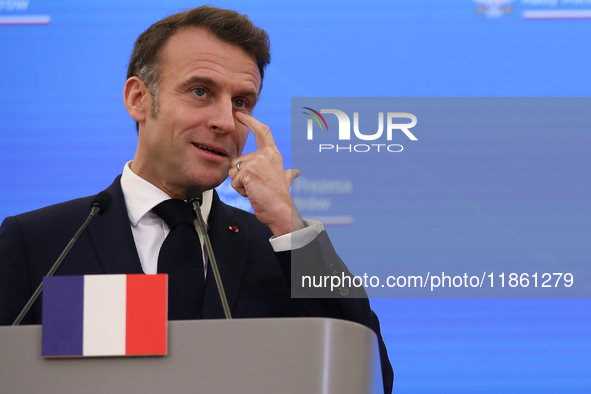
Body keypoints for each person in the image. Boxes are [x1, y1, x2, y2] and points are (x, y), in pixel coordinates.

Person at [0, 6, 393, 393]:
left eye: (242, 102)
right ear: (139, 98)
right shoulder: (38, 241)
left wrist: (288, 223)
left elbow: (368, 372)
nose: (225, 120)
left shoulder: (277, 247)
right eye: (200, 91)